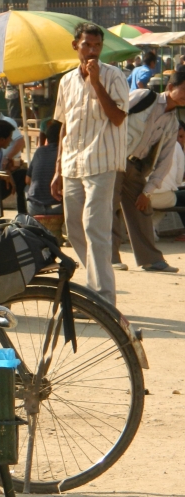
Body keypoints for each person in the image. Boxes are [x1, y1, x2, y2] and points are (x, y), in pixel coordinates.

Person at [50, 22, 129, 306]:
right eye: (87, 45)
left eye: (97, 46)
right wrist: (57, 169)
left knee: (95, 227)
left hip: (102, 161)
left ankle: (102, 298)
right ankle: (94, 286)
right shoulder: (67, 81)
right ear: (76, 46)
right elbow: (64, 126)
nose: (92, 51)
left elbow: (118, 118)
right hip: (72, 162)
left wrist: (96, 83)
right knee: (73, 229)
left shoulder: (113, 76)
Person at [110, 74, 185, 273]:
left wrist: (148, 190)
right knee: (110, 207)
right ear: (170, 86)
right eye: (184, 89)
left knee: (142, 208)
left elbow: (165, 160)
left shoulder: (172, 123)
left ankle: (151, 260)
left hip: (135, 167)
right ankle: (110, 256)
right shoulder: (144, 97)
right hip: (115, 160)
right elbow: (114, 115)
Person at [26, 120, 63, 216]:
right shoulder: (66, 154)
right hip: (57, 207)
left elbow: (27, 180)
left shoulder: (39, 151)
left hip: (34, 207)